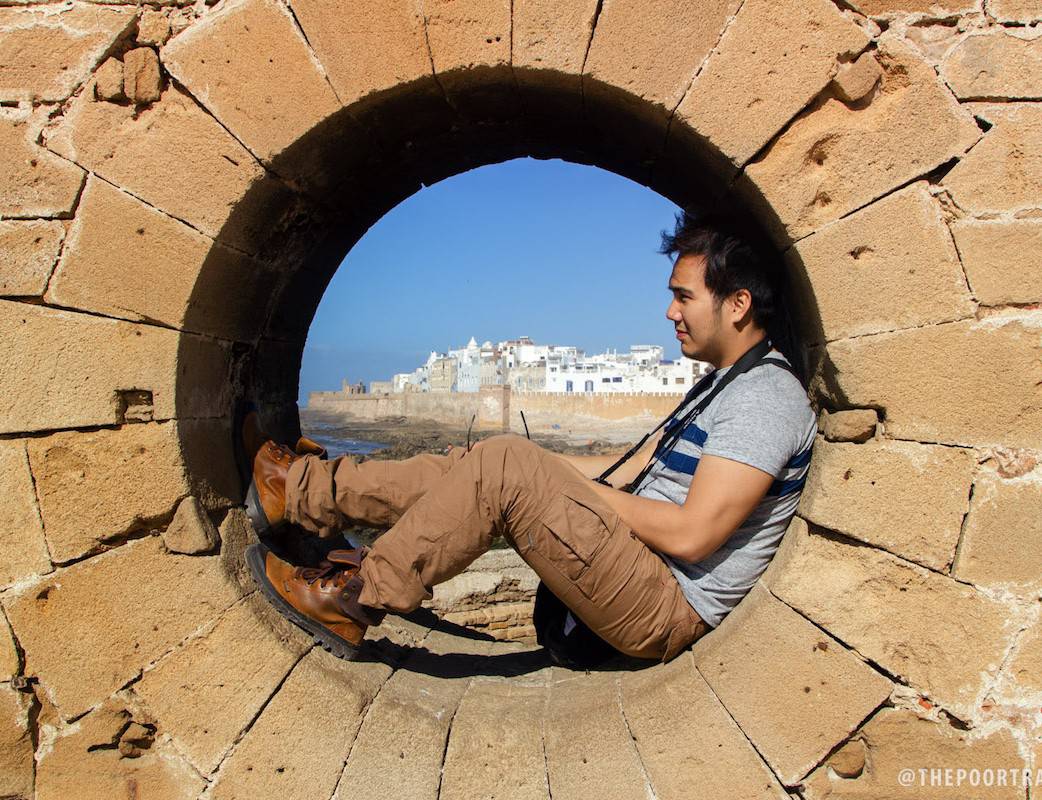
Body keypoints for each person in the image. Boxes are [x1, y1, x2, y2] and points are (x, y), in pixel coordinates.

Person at [239, 211, 818, 663]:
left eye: (683, 296)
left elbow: (693, 535)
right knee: (490, 460)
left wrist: (552, 481)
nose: (670, 312)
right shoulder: (720, 384)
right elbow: (631, 465)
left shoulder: (765, 397)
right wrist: (537, 463)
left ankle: (354, 598)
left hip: (664, 603)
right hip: (636, 565)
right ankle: (297, 488)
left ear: (738, 304)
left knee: (505, 467)